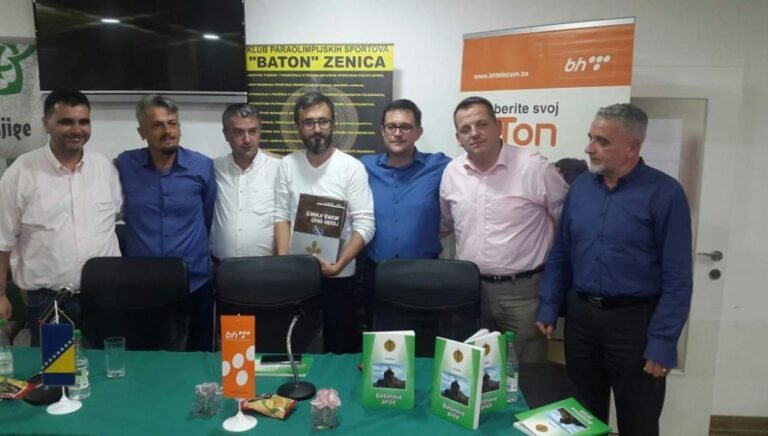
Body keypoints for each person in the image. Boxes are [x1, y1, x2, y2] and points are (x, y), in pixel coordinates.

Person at [536, 103, 693, 436]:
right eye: (590, 137)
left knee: (639, 421)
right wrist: (549, 305)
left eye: (602, 141)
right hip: (582, 320)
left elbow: (678, 278)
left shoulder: (665, 193)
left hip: (635, 325)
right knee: (580, 420)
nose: (589, 148)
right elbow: (562, 251)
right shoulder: (581, 188)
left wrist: (663, 341)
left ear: (632, 148)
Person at [439, 96, 568, 363]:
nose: (474, 133)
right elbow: (446, 223)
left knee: (526, 373)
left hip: (523, 293)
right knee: (473, 370)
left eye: (481, 124)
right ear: (458, 138)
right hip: (470, 291)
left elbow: (567, 222)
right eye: (465, 129)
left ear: (499, 127)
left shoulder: (534, 167)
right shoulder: (452, 172)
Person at [0, 89, 122, 344]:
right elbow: (2, 243)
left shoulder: (105, 168)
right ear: (46, 123)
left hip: (104, 298)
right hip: (48, 303)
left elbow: (113, 218)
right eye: (66, 121)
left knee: (108, 364)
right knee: (57, 368)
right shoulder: (21, 173)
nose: (77, 130)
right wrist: (0, 296)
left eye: (83, 121)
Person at [274, 91, 374, 354]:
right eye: (308, 122)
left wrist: (339, 264)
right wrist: (285, 264)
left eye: (323, 121)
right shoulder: (287, 165)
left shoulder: (351, 167)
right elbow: (281, 216)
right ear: (298, 127)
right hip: (298, 276)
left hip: (340, 276)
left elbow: (365, 225)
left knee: (339, 348)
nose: (316, 129)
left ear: (333, 124)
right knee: (298, 348)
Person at [115, 94, 217, 352]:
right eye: (157, 125)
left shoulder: (201, 166)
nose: (167, 131)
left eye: (172, 123)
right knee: (147, 358)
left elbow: (208, 215)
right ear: (142, 132)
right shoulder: (125, 165)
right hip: (143, 286)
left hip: (195, 283)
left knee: (200, 357)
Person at [359, 99, 450, 323]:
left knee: (424, 340)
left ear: (418, 132)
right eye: (391, 126)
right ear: (383, 131)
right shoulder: (363, 167)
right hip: (375, 274)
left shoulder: (439, 165)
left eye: (406, 127)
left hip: (425, 275)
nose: (398, 133)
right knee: (377, 340)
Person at [210, 103, 280, 260]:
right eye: (238, 132)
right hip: (221, 266)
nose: (247, 139)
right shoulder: (213, 169)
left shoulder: (278, 169)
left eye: (253, 131)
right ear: (226, 134)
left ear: (260, 132)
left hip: (267, 266)